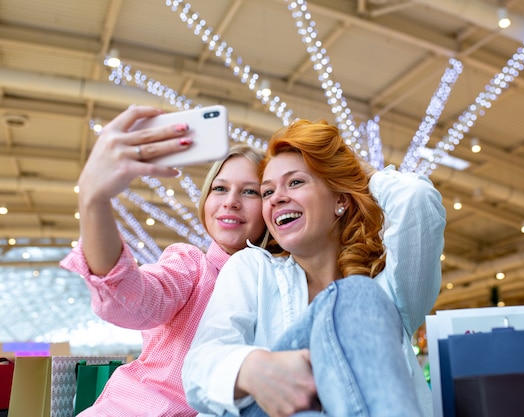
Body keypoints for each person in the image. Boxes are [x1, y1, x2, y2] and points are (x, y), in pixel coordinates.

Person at [183, 119, 446, 417]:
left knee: (358, 292)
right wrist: (253, 367)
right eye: (267, 192)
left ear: (340, 200)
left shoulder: (387, 286)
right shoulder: (253, 269)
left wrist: (358, 174)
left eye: (295, 182)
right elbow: (198, 369)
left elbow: (417, 200)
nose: (277, 197)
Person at [60, 105, 268, 416]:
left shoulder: (280, 283)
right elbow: (134, 300)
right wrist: (94, 199)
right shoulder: (189, 265)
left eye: (249, 191)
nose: (230, 201)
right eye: (220, 188)